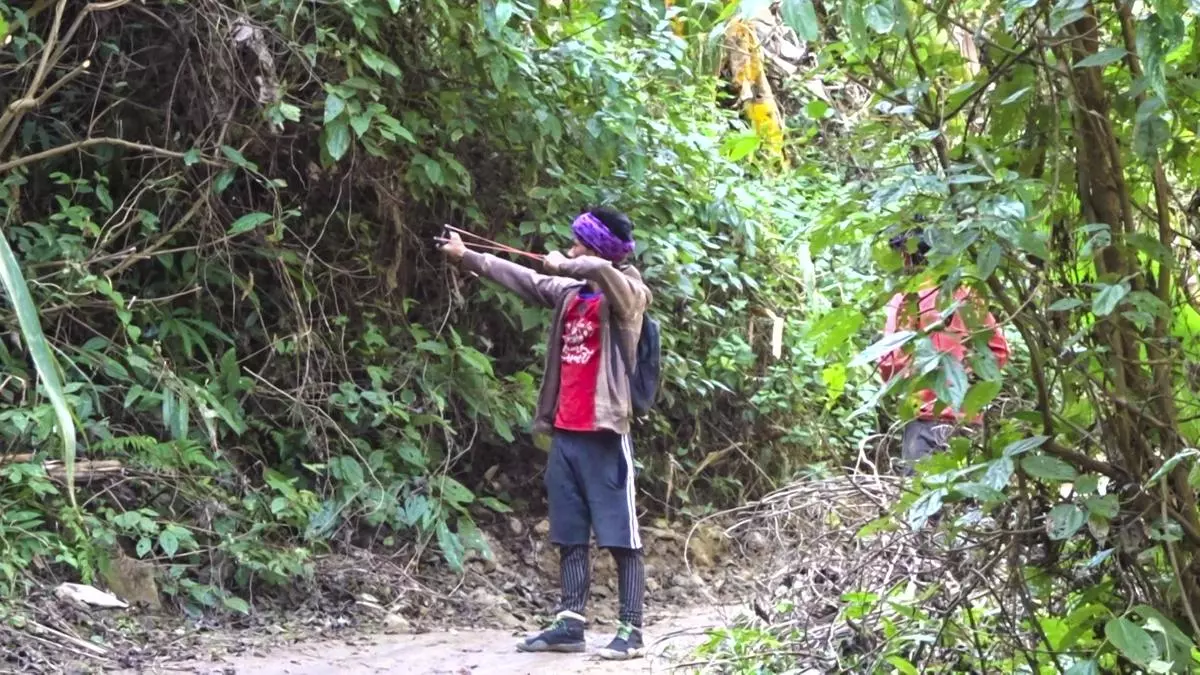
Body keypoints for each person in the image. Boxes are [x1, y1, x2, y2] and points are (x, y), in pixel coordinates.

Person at [439, 207, 652, 661]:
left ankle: (631, 630)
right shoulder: (572, 294)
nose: (571, 248)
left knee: (621, 534)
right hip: (567, 432)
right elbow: (521, 277)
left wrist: (566, 261)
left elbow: (597, 269)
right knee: (569, 531)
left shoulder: (629, 295)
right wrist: (465, 256)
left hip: (606, 433)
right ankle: (570, 623)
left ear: (596, 248)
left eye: (579, 242)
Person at [878, 228, 1010, 471]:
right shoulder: (966, 293)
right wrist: (966, 376)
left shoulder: (908, 300)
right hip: (967, 420)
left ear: (906, 256)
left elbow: (889, 362)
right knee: (968, 501)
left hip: (924, 419)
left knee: (924, 499)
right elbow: (998, 351)